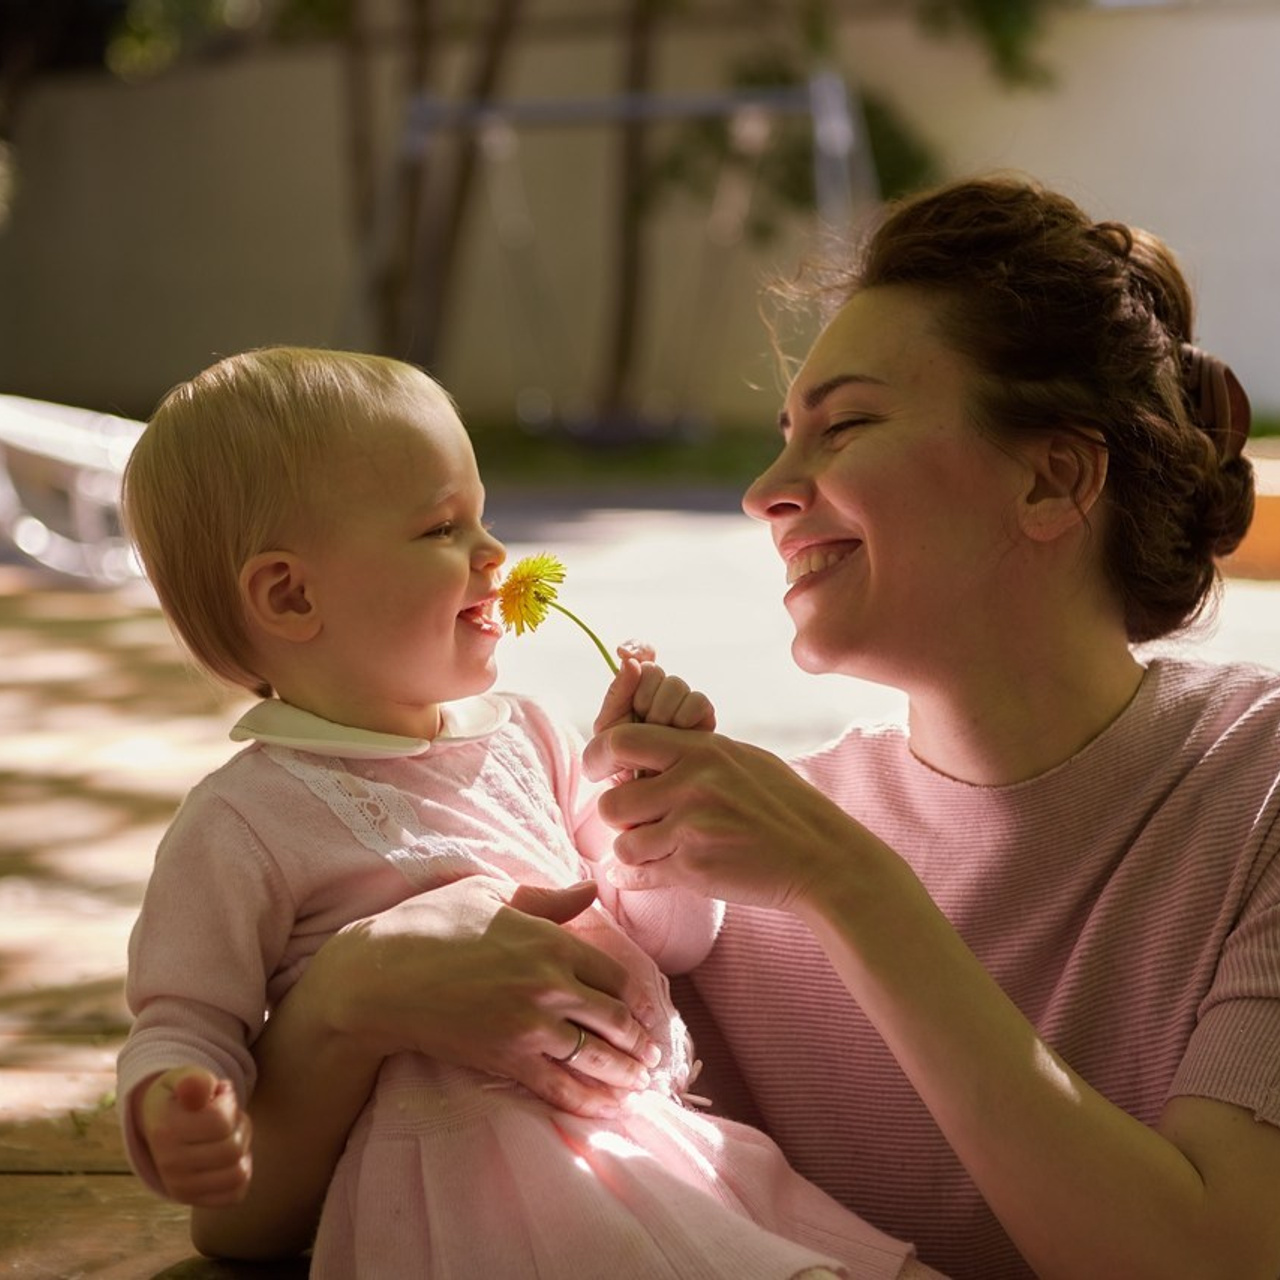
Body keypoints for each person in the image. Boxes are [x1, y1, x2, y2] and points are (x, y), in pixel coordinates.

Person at [164, 175, 1280, 1278]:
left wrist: (850, 884)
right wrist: (349, 1000)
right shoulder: (711, 864)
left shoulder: (1252, 787)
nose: (763, 491)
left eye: (841, 426)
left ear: (1050, 478)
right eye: (780, 434)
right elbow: (243, 1220)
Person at [115, 346, 943, 1279]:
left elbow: (667, 942)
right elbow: (184, 1017)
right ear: (292, 594)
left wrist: (652, 812)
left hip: (648, 1136)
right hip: (481, 1188)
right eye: (440, 528)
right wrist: (178, 1101)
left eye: (482, 515)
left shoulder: (532, 740)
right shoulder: (246, 820)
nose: (496, 555)